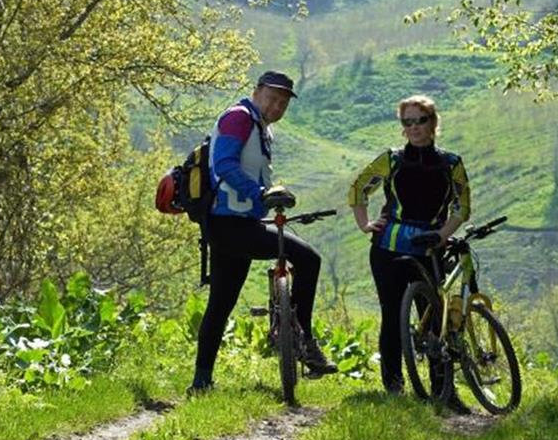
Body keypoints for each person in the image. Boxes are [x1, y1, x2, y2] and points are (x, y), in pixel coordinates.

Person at [189, 70, 337, 393]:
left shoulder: (261, 128)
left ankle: (201, 381)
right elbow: (224, 165)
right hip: (230, 225)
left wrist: (268, 198)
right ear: (256, 92)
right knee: (308, 259)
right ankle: (304, 341)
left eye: (283, 102)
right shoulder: (239, 118)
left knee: (221, 302)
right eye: (272, 98)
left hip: (235, 224)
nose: (277, 106)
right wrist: (259, 194)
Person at [348, 95, 471, 402]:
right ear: (402, 127)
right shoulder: (391, 159)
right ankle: (394, 387)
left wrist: (442, 236)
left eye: (421, 120)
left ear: (433, 123)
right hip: (388, 247)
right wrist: (364, 224)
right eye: (408, 122)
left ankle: (443, 391)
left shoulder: (451, 163)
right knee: (392, 316)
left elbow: (462, 207)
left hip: (429, 247)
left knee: (433, 319)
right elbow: (358, 188)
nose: (415, 128)